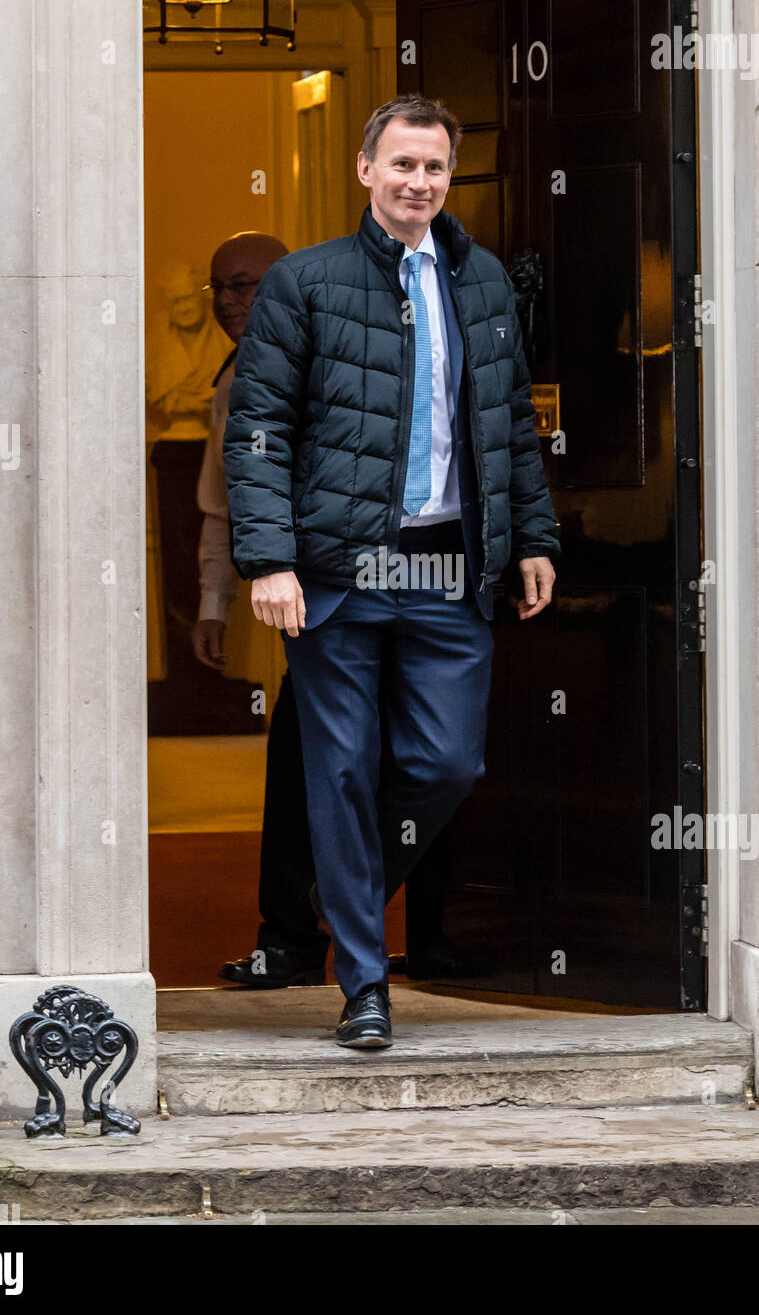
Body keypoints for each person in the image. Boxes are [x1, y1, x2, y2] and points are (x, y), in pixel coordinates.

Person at [225, 94, 560, 1048]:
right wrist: (270, 559)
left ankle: (348, 890)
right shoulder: (305, 283)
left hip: (446, 568)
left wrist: (532, 537)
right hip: (336, 573)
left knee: (446, 763)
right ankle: (364, 985)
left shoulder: (482, 279)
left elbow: (510, 427)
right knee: (337, 770)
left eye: (436, 169)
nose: (420, 183)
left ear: (450, 178)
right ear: (366, 170)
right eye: (404, 165)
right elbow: (258, 435)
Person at [195, 231, 484, 989]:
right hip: (320, 595)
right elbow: (226, 502)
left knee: (435, 760)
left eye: (248, 284)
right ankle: (292, 935)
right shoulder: (238, 380)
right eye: (221, 287)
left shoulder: (371, 336)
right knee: (314, 769)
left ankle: (421, 932)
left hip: (424, 576)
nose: (233, 300)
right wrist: (219, 598)